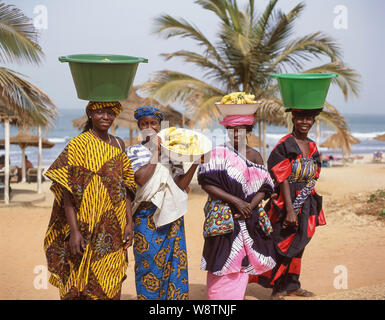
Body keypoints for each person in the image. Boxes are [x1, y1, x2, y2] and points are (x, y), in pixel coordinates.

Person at [43, 101, 137, 300]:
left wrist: (129, 222)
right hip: (85, 223)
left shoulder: (119, 143)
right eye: (100, 112)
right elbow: (67, 191)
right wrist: (75, 231)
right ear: (90, 114)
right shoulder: (79, 144)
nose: (106, 117)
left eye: (110, 113)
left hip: (114, 223)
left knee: (113, 275)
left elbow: (126, 187)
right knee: (80, 280)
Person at [197, 114, 277, 300]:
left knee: (242, 263)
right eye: (232, 129)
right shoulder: (216, 153)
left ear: (248, 131)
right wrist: (236, 201)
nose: (236, 133)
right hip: (224, 220)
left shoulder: (255, 155)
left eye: (241, 129)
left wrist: (249, 205)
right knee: (221, 261)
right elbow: (205, 183)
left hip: (248, 219)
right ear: (227, 130)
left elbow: (265, 186)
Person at [249, 108, 326, 300]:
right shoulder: (285, 144)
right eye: (301, 118)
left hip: (307, 200)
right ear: (293, 118)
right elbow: (282, 177)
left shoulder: (313, 146)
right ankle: (277, 288)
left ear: (313, 122)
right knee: (282, 244)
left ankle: (292, 285)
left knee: (299, 244)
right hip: (285, 202)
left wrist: (305, 197)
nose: (305, 122)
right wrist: (290, 210)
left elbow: (314, 173)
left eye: (309, 119)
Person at [126, 106, 199, 300]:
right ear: (139, 127)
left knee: (174, 265)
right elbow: (140, 178)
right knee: (148, 266)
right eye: (144, 124)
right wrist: (155, 152)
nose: (149, 127)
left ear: (160, 126)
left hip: (172, 217)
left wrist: (195, 164)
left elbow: (180, 185)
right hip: (145, 217)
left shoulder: (172, 155)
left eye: (153, 123)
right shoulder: (132, 151)